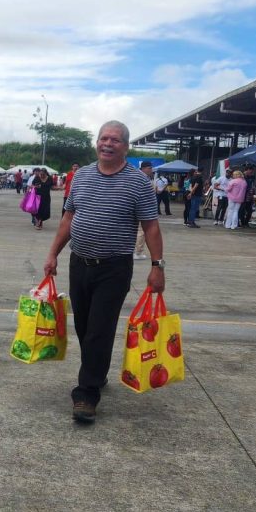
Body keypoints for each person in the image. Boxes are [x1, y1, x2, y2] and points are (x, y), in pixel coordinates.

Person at [43, 120, 164, 423]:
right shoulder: (81, 176)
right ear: (96, 143)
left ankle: (86, 393)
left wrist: (157, 266)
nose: (107, 144)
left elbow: (150, 226)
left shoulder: (138, 182)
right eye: (103, 138)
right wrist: (53, 253)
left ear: (126, 146)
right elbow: (68, 219)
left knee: (99, 328)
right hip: (79, 263)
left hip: (114, 267)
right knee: (84, 326)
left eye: (115, 140)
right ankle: (96, 372)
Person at [134, 161, 156, 258]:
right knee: (141, 231)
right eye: (149, 168)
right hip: (141, 209)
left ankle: (136, 251)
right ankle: (138, 252)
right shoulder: (142, 178)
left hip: (138, 208)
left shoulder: (138, 176)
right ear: (143, 168)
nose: (151, 170)